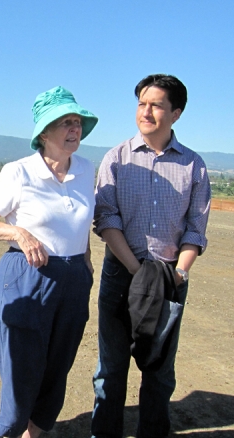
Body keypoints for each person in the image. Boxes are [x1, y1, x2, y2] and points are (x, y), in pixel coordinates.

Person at [0, 86, 98, 438]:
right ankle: (9, 431)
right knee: (21, 369)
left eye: (77, 122)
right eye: (65, 123)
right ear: (43, 133)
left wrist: (85, 262)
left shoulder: (87, 170)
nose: (75, 129)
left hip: (72, 281)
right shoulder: (19, 172)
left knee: (58, 368)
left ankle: (35, 434)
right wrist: (19, 234)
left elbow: (82, 222)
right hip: (28, 276)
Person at [91, 74, 211, 438]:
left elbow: (195, 229)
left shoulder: (194, 166)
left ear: (176, 113)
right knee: (111, 368)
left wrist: (179, 274)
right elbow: (106, 217)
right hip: (121, 273)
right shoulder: (116, 158)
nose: (146, 111)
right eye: (142, 103)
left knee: (159, 369)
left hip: (169, 278)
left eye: (156, 105)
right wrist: (134, 267)